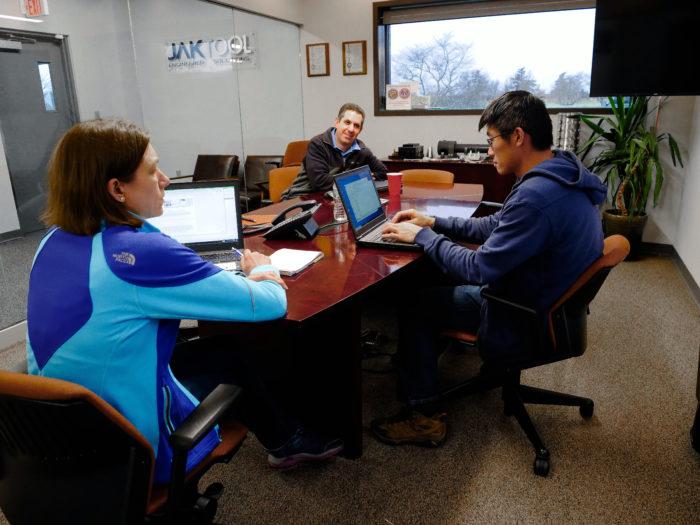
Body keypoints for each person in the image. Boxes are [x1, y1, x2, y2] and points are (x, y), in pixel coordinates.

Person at [26, 119, 343, 483]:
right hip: (124, 443)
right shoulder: (136, 252)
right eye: (152, 170)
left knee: (223, 350)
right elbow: (271, 304)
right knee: (234, 362)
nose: (164, 180)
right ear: (117, 189)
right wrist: (263, 269)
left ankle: (285, 440)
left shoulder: (51, 240)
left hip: (56, 427)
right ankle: (288, 441)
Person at [370, 91, 607, 447]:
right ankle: (417, 361)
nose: (488, 150)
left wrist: (422, 236)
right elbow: (495, 224)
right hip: (546, 296)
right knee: (435, 272)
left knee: (416, 303)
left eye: (491, 140)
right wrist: (433, 221)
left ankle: (424, 417)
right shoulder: (561, 172)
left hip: (521, 311)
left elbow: (477, 268)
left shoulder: (536, 196)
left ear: (517, 137)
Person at [281, 102, 387, 199]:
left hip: (333, 199)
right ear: (337, 122)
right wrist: (357, 179)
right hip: (301, 198)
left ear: (360, 130)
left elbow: (383, 173)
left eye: (356, 125)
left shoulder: (362, 151)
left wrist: (362, 178)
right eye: (347, 122)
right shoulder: (318, 144)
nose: (351, 129)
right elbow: (320, 182)